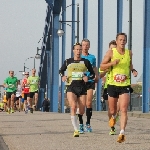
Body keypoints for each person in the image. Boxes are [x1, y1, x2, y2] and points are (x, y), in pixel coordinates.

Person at [100, 33, 138, 143]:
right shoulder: (111, 52)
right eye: (120, 40)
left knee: (124, 109)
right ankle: (113, 118)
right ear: (116, 41)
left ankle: (122, 132)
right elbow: (102, 66)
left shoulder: (129, 53)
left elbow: (129, 64)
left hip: (124, 85)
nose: (122, 41)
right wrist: (112, 63)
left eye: (124, 40)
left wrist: (133, 70)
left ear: (126, 41)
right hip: (112, 84)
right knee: (113, 110)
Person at [59, 42, 95, 137]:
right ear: (73, 51)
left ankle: (80, 121)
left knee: (82, 110)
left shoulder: (85, 62)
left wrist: (87, 77)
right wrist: (63, 76)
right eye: (77, 49)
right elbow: (61, 70)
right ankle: (76, 130)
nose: (78, 51)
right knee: (73, 106)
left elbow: (92, 74)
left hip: (82, 87)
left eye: (80, 49)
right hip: (71, 86)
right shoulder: (68, 61)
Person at [76, 39, 99, 133]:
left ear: (89, 46)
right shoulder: (78, 57)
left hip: (90, 81)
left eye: (87, 45)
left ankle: (88, 124)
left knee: (88, 103)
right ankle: (81, 124)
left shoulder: (92, 57)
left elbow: (94, 68)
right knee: (81, 104)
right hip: (80, 82)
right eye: (83, 45)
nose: (85, 47)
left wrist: (96, 76)